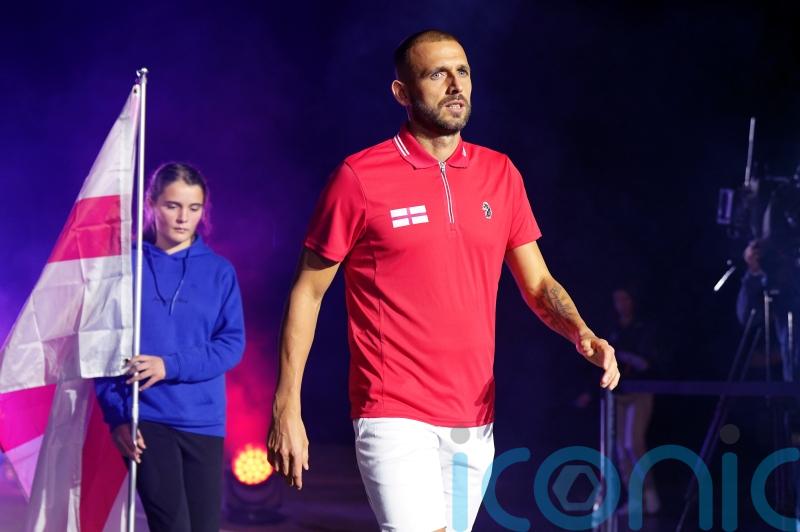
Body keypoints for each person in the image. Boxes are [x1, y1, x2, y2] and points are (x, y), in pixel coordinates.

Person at [267, 29, 620, 532]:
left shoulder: (500, 175)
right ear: (402, 93)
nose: (456, 84)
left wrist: (581, 332)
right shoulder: (360, 176)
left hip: (474, 417)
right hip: (392, 409)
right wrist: (287, 405)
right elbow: (308, 291)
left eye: (463, 72)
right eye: (437, 73)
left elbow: (539, 284)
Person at [95, 162, 245, 532]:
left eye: (194, 208)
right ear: (151, 204)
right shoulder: (125, 267)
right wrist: (116, 417)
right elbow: (100, 347)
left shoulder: (219, 271)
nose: (183, 218)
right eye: (172, 206)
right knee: (172, 527)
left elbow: (231, 345)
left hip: (204, 421)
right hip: (147, 418)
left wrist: (169, 365)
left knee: (204, 528)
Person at [607, 286, 661, 515]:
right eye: (617, 299)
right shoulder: (613, 329)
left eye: (625, 298)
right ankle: (634, 498)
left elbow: (649, 362)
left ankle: (650, 495)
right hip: (619, 392)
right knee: (620, 448)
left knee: (633, 444)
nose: (621, 304)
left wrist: (627, 356)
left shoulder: (644, 328)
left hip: (640, 390)